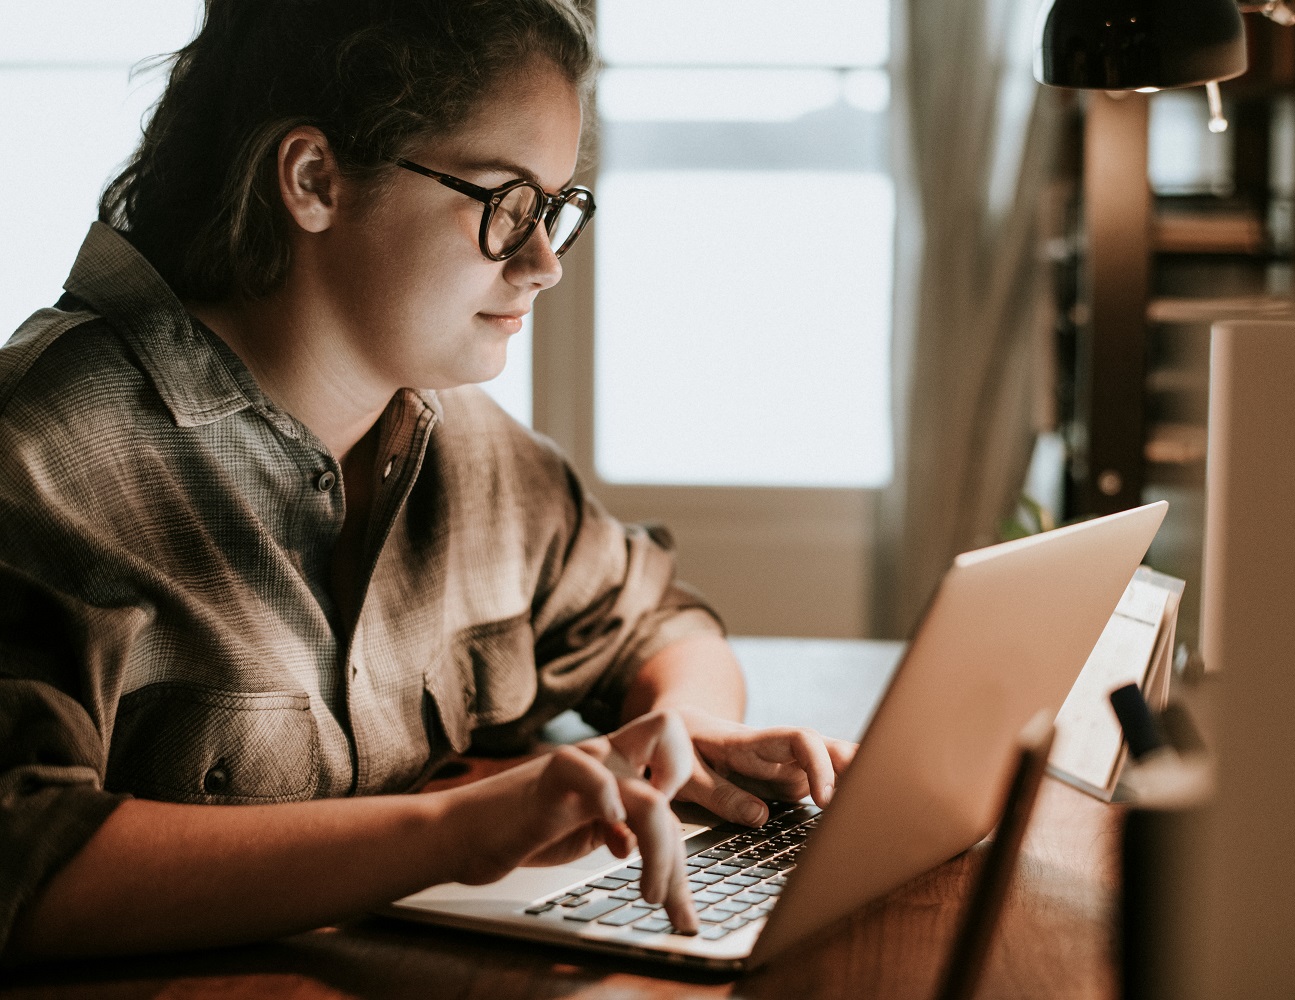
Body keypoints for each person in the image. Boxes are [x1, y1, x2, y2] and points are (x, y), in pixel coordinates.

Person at [0, 0, 854, 961]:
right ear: (314, 179)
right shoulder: (42, 454)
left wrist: (684, 723)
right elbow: (23, 860)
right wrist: (465, 830)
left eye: (557, 210)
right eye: (505, 202)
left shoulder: (464, 442)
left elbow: (655, 617)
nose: (543, 264)